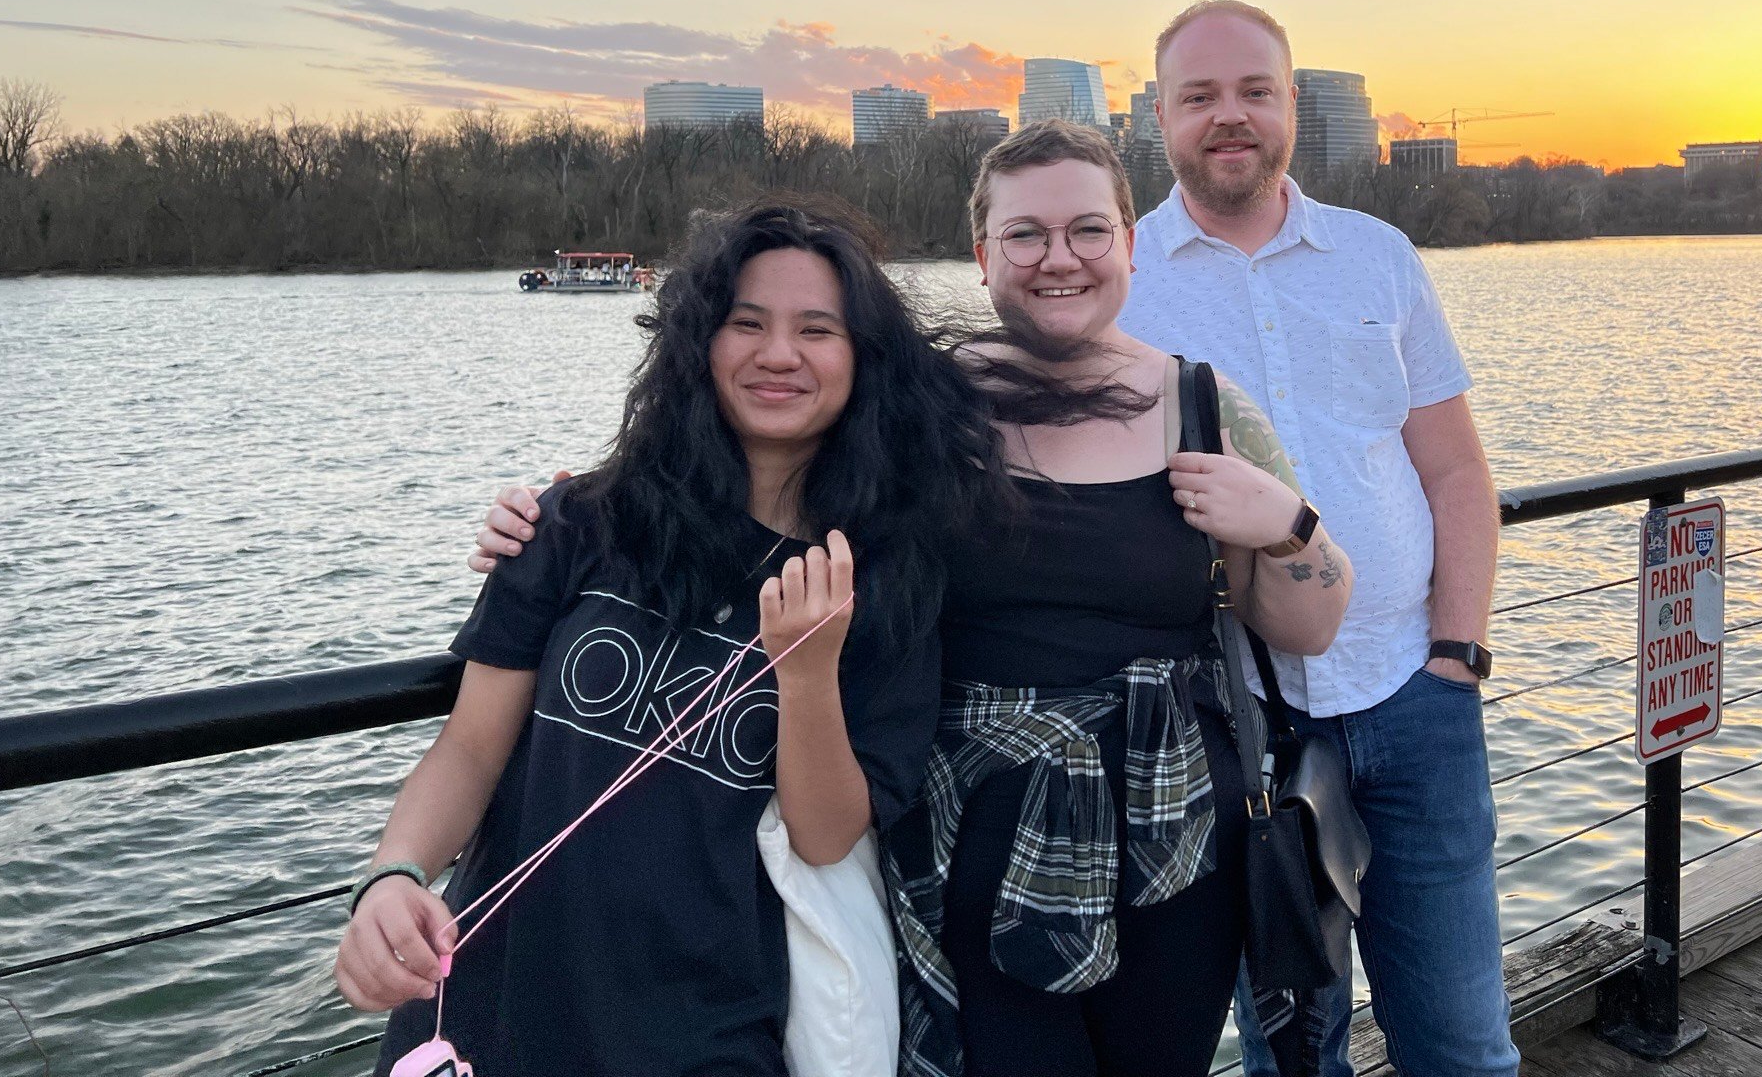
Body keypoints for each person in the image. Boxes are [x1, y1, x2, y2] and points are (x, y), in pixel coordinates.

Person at [471, 124, 1354, 1077]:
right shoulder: (918, 404)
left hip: (1177, 837)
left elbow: (1307, 627)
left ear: (1131, 245)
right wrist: (569, 513)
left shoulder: (1205, 408)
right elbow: (750, 471)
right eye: (1024, 234)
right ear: (983, 258)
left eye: (1089, 230)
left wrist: (1288, 523)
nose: (1059, 258)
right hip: (969, 835)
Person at [339, 202, 1005, 1077]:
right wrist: (393, 876)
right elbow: (468, 747)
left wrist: (807, 676)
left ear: (862, 360)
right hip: (487, 1006)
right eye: (747, 324)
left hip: (707, 1029)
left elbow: (825, 833)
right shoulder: (580, 521)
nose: (778, 355)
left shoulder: (883, 579)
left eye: (817, 330)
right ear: (701, 345)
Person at [1123, 0, 1516, 1077]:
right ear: (1157, 115)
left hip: (1414, 699)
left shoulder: (1377, 256)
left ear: (1291, 104)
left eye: (1254, 91)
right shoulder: (1120, 280)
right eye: (1198, 96)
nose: (1228, 117)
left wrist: (1457, 656)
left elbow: (1454, 472)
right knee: (1292, 1053)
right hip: (1242, 724)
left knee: (1463, 1045)